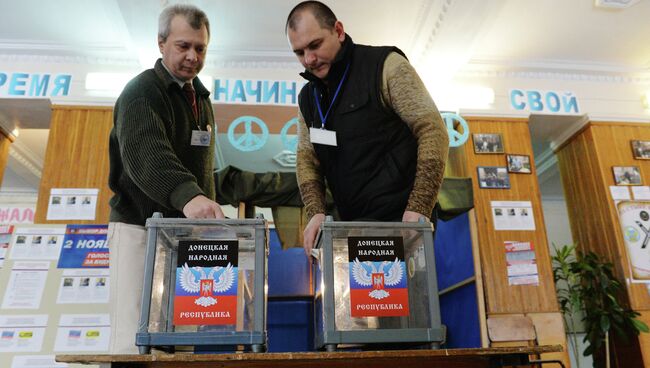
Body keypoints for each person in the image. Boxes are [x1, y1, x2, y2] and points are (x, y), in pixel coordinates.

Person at [286, 1, 449, 256]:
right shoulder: (308, 97)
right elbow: (306, 159)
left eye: (315, 45)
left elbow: (432, 130)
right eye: (299, 52)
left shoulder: (385, 65)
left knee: (397, 296)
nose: (308, 59)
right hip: (351, 227)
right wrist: (316, 212)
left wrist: (419, 206)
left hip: (401, 221)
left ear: (338, 31)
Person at [107, 4, 224, 353]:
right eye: (183, 46)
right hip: (139, 230)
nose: (192, 56)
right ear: (161, 43)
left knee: (182, 340)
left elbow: (203, 174)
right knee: (134, 341)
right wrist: (189, 197)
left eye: (200, 48)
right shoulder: (141, 91)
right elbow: (148, 155)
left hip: (184, 236)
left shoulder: (201, 100)